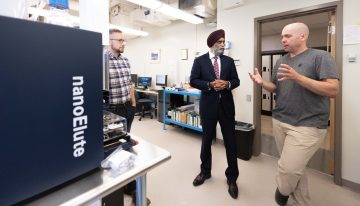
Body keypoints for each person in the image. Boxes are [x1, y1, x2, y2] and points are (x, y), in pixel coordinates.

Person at [249, 22, 339, 206]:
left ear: (302, 36)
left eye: (288, 36)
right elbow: (276, 88)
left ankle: (282, 192)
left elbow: (333, 90)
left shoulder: (321, 57)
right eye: (282, 36)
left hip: (308, 125)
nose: (283, 39)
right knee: (297, 169)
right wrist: (262, 83)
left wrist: (298, 77)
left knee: (288, 169)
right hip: (280, 120)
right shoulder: (282, 61)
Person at [190, 29, 240, 199]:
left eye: (223, 42)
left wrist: (227, 84)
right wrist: (210, 85)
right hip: (208, 107)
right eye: (219, 42)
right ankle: (205, 172)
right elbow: (193, 80)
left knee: (231, 143)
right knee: (206, 141)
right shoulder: (200, 61)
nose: (222, 45)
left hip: (226, 107)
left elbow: (236, 80)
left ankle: (232, 178)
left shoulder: (229, 61)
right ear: (211, 44)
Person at [105, 29, 150, 205]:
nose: (124, 43)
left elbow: (129, 84)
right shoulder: (102, 60)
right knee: (113, 150)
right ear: (110, 41)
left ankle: (131, 188)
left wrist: (133, 102)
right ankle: (121, 188)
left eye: (124, 40)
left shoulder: (125, 60)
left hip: (127, 109)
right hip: (111, 111)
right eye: (120, 40)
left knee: (126, 146)